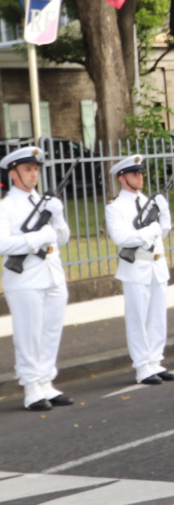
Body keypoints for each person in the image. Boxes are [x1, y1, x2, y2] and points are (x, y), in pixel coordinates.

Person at [0, 147, 73, 411]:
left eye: (35, 169)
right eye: (27, 169)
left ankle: (46, 382)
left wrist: (58, 215)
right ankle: (31, 388)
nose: (33, 174)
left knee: (50, 331)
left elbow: (62, 238)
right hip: (25, 279)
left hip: (52, 274)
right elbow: (2, 243)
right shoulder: (6, 207)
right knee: (29, 334)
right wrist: (37, 237)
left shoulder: (44, 202)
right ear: (13, 173)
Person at [105, 155, 174, 385]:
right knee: (138, 318)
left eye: (141, 173)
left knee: (157, 317)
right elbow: (122, 237)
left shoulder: (148, 201)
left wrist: (163, 216)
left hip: (156, 265)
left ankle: (155, 361)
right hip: (136, 267)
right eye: (134, 174)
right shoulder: (116, 207)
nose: (140, 177)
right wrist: (151, 230)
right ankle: (142, 366)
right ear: (122, 178)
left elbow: (162, 233)